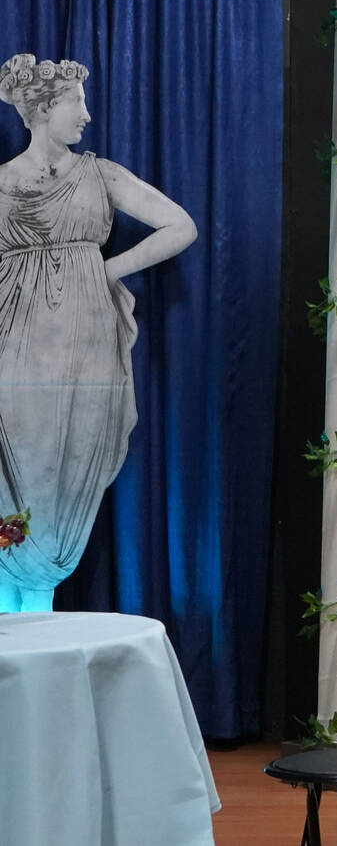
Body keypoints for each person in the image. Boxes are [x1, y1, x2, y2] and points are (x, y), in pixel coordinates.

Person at [0, 54, 195, 612]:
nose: (85, 114)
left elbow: (180, 225)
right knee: (18, 465)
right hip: (15, 347)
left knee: (67, 465)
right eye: (75, 103)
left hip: (84, 344)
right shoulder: (2, 185)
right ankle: (15, 611)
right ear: (42, 109)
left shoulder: (100, 174)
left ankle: (35, 604)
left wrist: (103, 271)